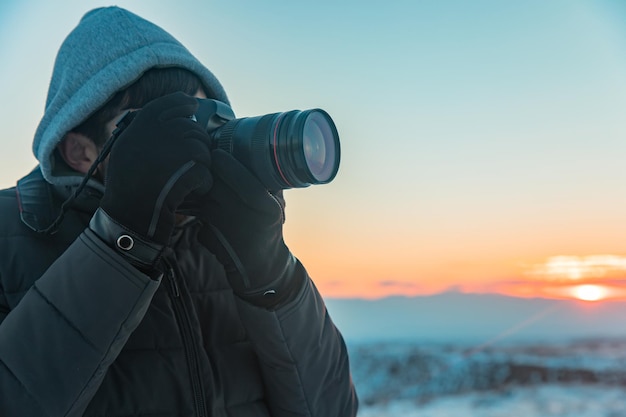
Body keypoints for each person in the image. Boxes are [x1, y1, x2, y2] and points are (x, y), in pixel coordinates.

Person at [0, 6, 358, 417]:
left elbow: (332, 409)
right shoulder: (10, 233)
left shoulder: (220, 237)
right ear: (80, 152)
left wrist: (271, 271)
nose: (185, 147)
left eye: (202, 121)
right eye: (156, 128)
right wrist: (120, 241)